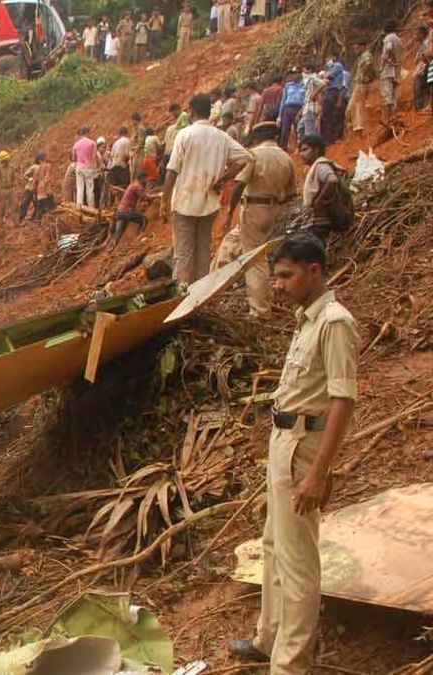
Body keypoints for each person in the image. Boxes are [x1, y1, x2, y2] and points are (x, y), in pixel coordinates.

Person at [228, 232, 358, 675]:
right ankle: (270, 638)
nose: (278, 285)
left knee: (299, 561)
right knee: (273, 544)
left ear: (314, 271)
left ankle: (291, 664)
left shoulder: (334, 323)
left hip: (305, 448)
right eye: (276, 276)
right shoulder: (308, 320)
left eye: (286, 276)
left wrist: (320, 473)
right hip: (283, 441)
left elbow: (343, 401)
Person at [161, 93, 251, 283]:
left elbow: (172, 170)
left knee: (183, 255)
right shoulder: (221, 136)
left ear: (191, 111)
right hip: (208, 203)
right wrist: (223, 178)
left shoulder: (185, 134)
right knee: (203, 254)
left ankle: (182, 300)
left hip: (184, 202)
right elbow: (245, 158)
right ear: (209, 112)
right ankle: (200, 297)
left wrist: (164, 201)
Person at [225, 122, 297, 317]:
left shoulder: (253, 154)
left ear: (258, 137)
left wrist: (229, 211)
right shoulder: (286, 157)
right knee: (241, 248)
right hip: (273, 210)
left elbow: (239, 184)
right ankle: (263, 298)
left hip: (253, 207)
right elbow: (292, 192)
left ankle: (260, 310)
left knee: (255, 260)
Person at [297, 135, 344, 243]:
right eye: (300, 151)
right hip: (316, 223)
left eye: (305, 150)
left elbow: (332, 180)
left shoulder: (321, 165)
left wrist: (319, 201)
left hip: (319, 224)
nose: (301, 154)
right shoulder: (316, 167)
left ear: (316, 150)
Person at [109, 171, 148, 250]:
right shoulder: (138, 186)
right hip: (127, 211)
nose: (147, 180)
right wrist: (156, 195)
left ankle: (111, 248)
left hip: (119, 212)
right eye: (146, 178)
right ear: (142, 178)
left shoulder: (132, 184)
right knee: (144, 219)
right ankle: (139, 237)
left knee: (118, 232)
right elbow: (145, 197)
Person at [379, 21, 402, 125]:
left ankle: (387, 118)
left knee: (387, 95)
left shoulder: (389, 38)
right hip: (397, 70)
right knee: (393, 95)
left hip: (388, 70)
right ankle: (393, 116)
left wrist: (382, 66)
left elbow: (387, 51)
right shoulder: (399, 39)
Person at [277, 68, 305, 151]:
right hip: (288, 108)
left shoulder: (304, 85)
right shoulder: (288, 85)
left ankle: (300, 148)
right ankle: (283, 148)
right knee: (285, 130)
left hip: (299, 109)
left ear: (300, 74)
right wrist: (279, 115)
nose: (293, 76)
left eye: (295, 73)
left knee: (298, 129)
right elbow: (283, 100)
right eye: (292, 74)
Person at [72, 127, 99, 207]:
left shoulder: (76, 144)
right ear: (87, 133)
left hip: (79, 168)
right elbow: (94, 157)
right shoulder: (92, 143)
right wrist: (96, 168)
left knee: (80, 188)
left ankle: (79, 206)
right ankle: (91, 207)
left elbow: (73, 158)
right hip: (89, 168)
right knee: (90, 189)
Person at [0, 151, 16, 226]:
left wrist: (15, 187)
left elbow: (14, 178)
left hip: (10, 189)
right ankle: (0, 224)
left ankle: (16, 223)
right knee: (1, 207)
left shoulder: (12, 168)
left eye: (4, 160)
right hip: (1, 190)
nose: (4, 162)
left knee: (14, 206)